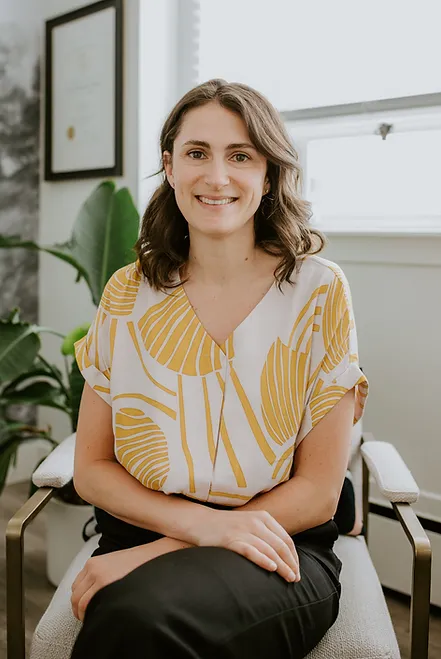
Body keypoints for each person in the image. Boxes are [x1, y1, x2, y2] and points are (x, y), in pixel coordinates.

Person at [70, 78, 368, 659]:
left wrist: (164, 549)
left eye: (241, 156)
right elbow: (93, 466)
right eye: (197, 153)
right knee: (134, 621)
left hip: (277, 544)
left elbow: (315, 494)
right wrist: (196, 528)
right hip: (142, 526)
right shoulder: (127, 293)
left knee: (141, 623)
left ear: (269, 174)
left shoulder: (319, 289)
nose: (218, 176)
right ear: (170, 166)